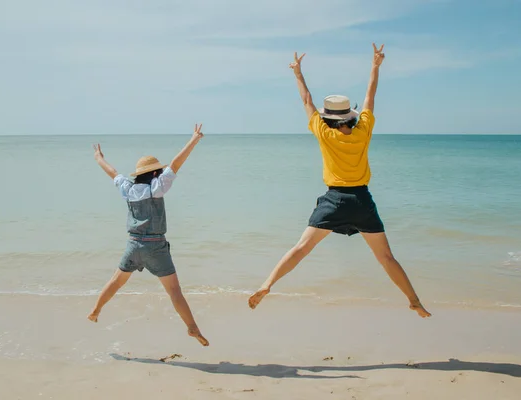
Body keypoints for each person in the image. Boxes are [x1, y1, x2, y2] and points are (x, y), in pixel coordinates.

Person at [248, 44, 431, 318]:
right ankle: (414, 299)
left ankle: (267, 283)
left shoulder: (324, 133)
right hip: (361, 200)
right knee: (386, 258)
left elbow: (307, 101)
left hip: (333, 200)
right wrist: (375, 66)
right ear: (349, 116)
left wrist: (298, 73)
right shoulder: (363, 131)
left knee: (301, 248)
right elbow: (370, 97)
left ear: (329, 118)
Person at [88, 124, 210, 346]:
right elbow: (176, 164)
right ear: (155, 173)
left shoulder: (128, 189)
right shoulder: (158, 187)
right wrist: (193, 140)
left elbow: (112, 172)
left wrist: (98, 157)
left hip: (134, 245)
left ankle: (96, 310)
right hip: (156, 247)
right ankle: (192, 327)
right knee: (174, 291)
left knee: (116, 281)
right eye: (159, 171)